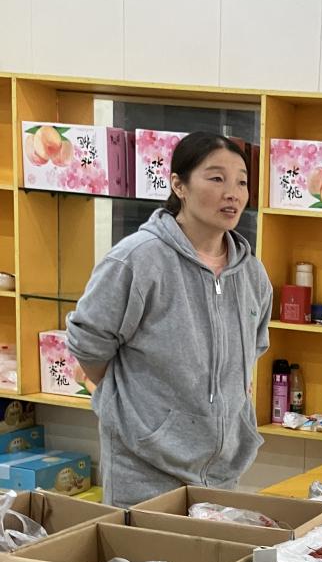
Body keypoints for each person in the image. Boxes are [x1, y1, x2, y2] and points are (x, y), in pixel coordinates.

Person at [67, 131, 273, 508]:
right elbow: (89, 345)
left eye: (242, 182)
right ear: (179, 185)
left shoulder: (251, 273)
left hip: (222, 471)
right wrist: (145, 415)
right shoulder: (138, 259)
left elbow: (252, 351)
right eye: (217, 178)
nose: (233, 193)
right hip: (144, 467)